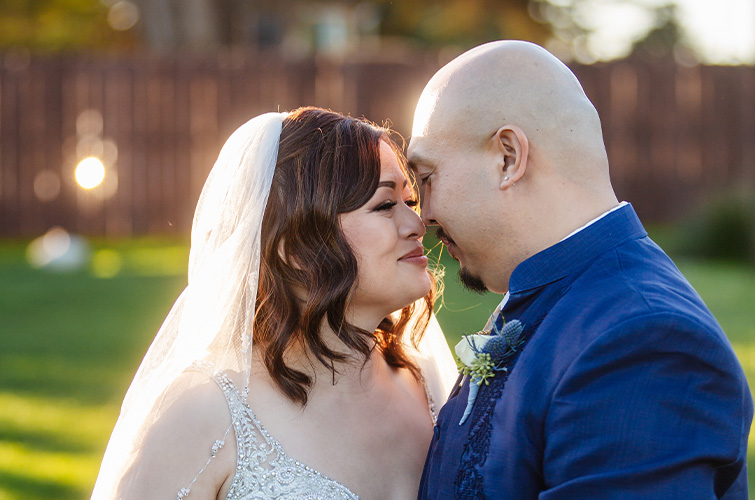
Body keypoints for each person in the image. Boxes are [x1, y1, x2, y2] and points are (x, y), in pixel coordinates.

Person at [408, 40, 753, 499]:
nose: (423, 214)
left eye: (427, 177)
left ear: (507, 158)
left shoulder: (643, 340)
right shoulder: (555, 297)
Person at [91, 107, 457, 500]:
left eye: (410, 200)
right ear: (294, 246)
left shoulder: (426, 382)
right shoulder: (202, 415)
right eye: (386, 205)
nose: (418, 224)